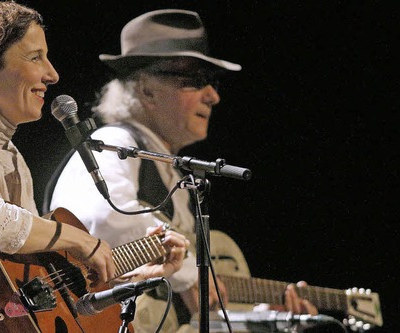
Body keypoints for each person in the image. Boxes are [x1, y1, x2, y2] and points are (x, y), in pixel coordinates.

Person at [0, 2, 188, 332]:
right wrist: (79, 240)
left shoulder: (12, 157)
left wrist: (134, 278)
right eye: (35, 57)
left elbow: (40, 296)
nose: (52, 74)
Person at [47, 9, 318, 332]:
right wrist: (190, 276)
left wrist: (266, 313)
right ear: (146, 89)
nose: (213, 96)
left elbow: (182, 302)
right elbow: (105, 218)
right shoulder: (113, 141)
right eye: (195, 81)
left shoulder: (168, 170)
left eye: (212, 82)